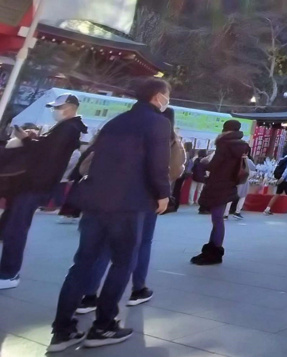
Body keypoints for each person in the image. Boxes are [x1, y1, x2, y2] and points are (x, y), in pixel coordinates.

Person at [48, 78, 171, 351]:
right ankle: (103, 326)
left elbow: (93, 158)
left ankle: (62, 330)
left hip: (96, 201)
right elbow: (157, 163)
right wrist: (163, 194)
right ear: (157, 96)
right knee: (122, 262)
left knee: (82, 263)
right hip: (129, 203)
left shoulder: (115, 122)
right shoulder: (158, 124)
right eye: (166, 95)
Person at [78, 107, 186, 312]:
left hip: (110, 196)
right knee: (141, 244)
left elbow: (86, 166)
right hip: (148, 199)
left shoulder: (119, 129)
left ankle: (89, 295)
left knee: (106, 246)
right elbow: (173, 171)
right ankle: (137, 290)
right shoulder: (171, 140)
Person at [0, 93, 88, 290]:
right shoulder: (69, 128)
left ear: (71, 107)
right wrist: (35, 140)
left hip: (35, 185)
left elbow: (47, 154)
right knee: (11, 226)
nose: (55, 111)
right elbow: (49, 150)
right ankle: (7, 269)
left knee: (16, 228)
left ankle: (9, 272)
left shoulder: (68, 128)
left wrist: (28, 140)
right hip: (35, 184)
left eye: (58, 107)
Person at [190, 120, 250, 265]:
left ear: (225, 130)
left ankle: (214, 252)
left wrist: (203, 163)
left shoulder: (224, 144)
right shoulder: (243, 146)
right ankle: (212, 249)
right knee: (218, 218)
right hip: (230, 184)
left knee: (217, 219)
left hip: (218, 184)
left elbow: (214, 165)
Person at [264, 150, 287, 215]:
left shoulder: (283, 158)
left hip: (281, 179)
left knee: (277, 194)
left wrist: (280, 178)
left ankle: (267, 209)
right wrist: (282, 178)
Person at [228, 154, 256, 219]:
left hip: (233, 179)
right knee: (242, 196)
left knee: (230, 197)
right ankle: (237, 212)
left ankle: (225, 214)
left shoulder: (233, 159)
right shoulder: (248, 161)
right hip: (244, 179)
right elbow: (254, 168)